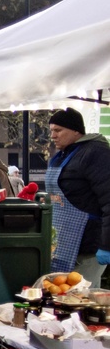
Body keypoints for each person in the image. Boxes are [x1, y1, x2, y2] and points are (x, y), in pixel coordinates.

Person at [46, 107, 110, 284]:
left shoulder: (96, 153)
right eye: (51, 131)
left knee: (81, 298)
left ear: (76, 131)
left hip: (90, 245)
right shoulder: (62, 156)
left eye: (58, 130)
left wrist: (106, 245)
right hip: (63, 243)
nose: (53, 136)